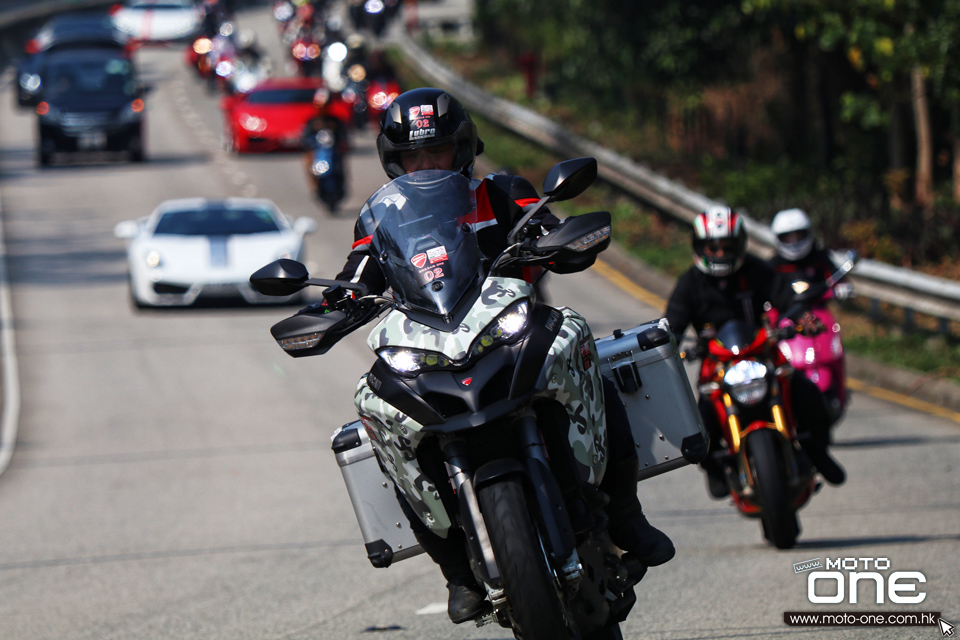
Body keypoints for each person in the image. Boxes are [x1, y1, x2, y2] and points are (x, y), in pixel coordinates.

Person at [327, 87, 674, 623]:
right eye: (411, 158)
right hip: (433, 346)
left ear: (461, 149)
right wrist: (335, 302)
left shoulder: (501, 190)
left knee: (582, 349)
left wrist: (558, 241)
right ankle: (457, 572)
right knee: (380, 413)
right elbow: (356, 276)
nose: (424, 166)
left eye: (435, 153)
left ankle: (627, 515)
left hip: (511, 331)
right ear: (392, 162)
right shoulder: (378, 219)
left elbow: (547, 228)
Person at [664, 206, 846, 500]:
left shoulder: (758, 269)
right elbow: (672, 325)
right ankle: (713, 468)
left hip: (762, 352)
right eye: (714, 247)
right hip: (717, 362)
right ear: (700, 247)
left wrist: (801, 316)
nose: (721, 254)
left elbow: (787, 297)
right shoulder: (689, 283)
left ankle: (818, 453)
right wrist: (666, 349)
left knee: (808, 394)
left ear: (741, 244)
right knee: (697, 420)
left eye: (728, 246)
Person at [768, 208, 854, 299]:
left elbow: (835, 277)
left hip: (816, 308)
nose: (794, 242)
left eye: (798, 235)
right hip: (783, 311)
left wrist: (842, 286)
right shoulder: (774, 265)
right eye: (788, 238)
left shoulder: (819, 258)